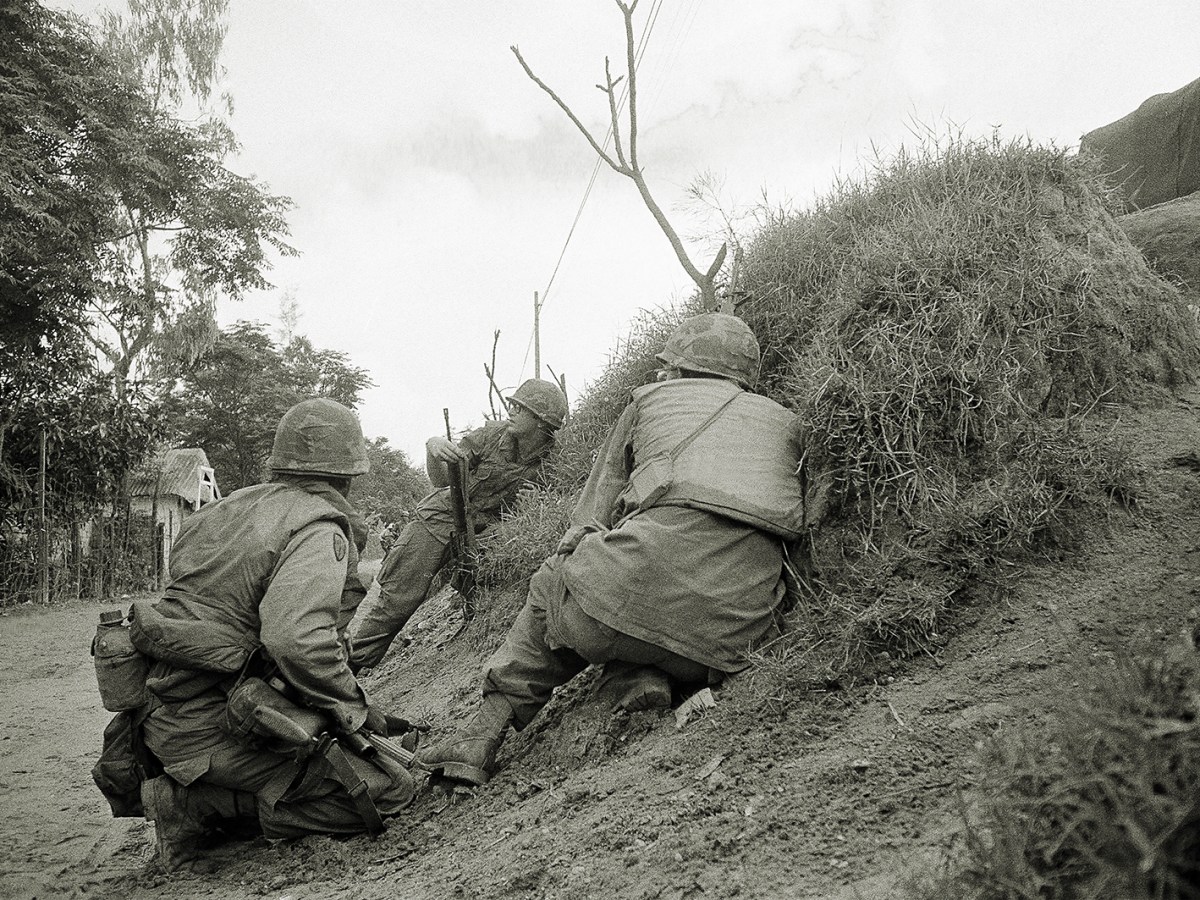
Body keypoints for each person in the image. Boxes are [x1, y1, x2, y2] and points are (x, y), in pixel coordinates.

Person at [416, 313, 805, 787]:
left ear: (679, 368)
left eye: (668, 366)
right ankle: (642, 673)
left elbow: (587, 518)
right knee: (649, 594)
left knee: (560, 582)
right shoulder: (787, 423)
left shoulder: (650, 401)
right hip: (726, 642)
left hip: (626, 609)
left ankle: (480, 737)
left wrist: (565, 570)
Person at [133, 398, 414, 870]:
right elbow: (295, 640)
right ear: (347, 473)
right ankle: (195, 806)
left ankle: (212, 795)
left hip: (161, 712)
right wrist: (355, 711)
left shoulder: (222, 510)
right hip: (214, 725)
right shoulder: (317, 526)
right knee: (388, 790)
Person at [349, 378, 568, 670]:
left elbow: (548, 514)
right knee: (398, 600)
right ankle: (348, 667)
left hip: (482, 533)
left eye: (520, 407)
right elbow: (443, 480)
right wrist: (433, 447)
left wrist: (539, 501)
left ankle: (475, 635)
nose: (511, 410)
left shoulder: (556, 461)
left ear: (541, 422)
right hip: (440, 518)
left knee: (488, 581)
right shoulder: (491, 436)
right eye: (512, 404)